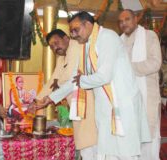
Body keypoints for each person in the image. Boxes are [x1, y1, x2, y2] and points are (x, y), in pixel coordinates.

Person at [37, 11, 151, 159]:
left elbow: (105, 75)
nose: (73, 35)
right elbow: (75, 78)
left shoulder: (107, 38)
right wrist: (50, 98)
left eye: (76, 29)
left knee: (126, 153)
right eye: (71, 31)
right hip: (105, 107)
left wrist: (82, 80)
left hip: (122, 105)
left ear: (88, 24)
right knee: (110, 153)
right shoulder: (86, 45)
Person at [36, 29, 97, 160]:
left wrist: (49, 99)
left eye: (56, 42)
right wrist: (37, 100)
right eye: (52, 46)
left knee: (91, 145)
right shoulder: (61, 58)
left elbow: (71, 79)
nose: (55, 47)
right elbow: (53, 81)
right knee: (85, 146)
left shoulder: (76, 48)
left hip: (87, 103)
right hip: (77, 106)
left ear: (66, 38)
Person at [118, 9, 162, 160]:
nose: (124, 23)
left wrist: (129, 68)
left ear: (136, 19)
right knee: (129, 141)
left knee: (147, 141)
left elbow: (155, 63)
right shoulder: (120, 41)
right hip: (126, 100)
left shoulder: (149, 36)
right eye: (121, 21)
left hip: (146, 98)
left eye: (127, 19)